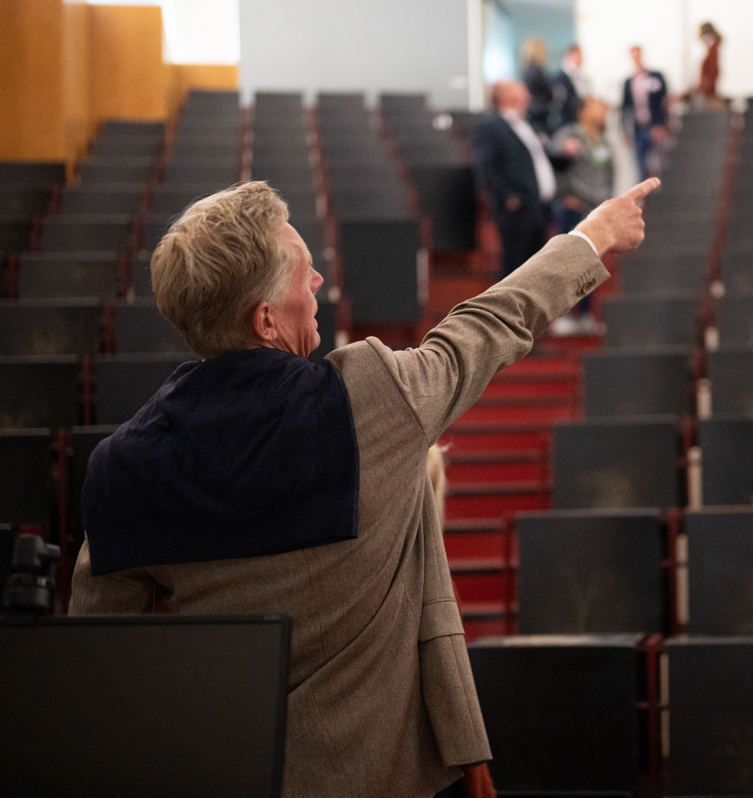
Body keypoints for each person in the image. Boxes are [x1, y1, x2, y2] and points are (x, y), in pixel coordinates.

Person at [69, 176, 660, 798]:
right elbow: (490, 323)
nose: (319, 281)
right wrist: (593, 237)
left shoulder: (122, 467)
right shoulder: (368, 402)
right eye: (303, 271)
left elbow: (104, 665)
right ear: (266, 319)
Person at [473, 80, 560, 280]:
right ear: (505, 96)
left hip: (539, 208)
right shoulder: (492, 126)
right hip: (517, 209)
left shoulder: (528, 125)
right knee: (515, 270)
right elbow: (485, 168)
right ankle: (507, 311)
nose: (526, 91)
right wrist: (508, 197)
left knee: (536, 270)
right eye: (518, 88)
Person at [547, 96, 615, 335]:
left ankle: (585, 314)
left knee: (590, 265)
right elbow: (553, 162)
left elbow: (609, 174)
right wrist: (564, 194)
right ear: (584, 111)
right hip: (573, 206)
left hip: (595, 211)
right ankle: (563, 315)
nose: (604, 111)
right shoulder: (569, 133)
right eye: (599, 106)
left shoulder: (603, 140)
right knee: (568, 264)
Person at [621, 45, 669, 181]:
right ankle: (643, 200)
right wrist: (625, 131)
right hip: (637, 128)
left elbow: (664, 102)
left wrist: (661, 124)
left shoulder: (655, 76)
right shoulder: (628, 82)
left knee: (657, 165)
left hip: (653, 126)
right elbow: (625, 108)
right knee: (639, 167)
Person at [549, 43, 589, 133]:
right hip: (566, 124)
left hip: (576, 122)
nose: (582, 59)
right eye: (580, 56)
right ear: (573, 55)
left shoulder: (577, 76)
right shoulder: (560, 78)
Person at [520, 38, 554, 136]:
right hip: (538, 113)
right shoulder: (537, 71)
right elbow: (546, 93)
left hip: (532, 110)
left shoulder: (527, 70)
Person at [694, 22, 723, 110]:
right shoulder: (712, 50)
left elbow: (713, 73)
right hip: (707, 91)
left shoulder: (712, 51)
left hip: (708, 94)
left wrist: (704, 89)